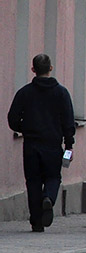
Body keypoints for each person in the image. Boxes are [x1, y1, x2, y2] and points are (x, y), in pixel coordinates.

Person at [7, 54, 75, 232]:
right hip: (53, 144)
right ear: (50, 68)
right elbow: (68, 122)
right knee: (53, 177)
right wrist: (69, 145)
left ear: (33, 70)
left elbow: (12, 118)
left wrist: (25, 128)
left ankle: (36, 221)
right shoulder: (61, 93)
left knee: (33, 181)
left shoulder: (24, 93)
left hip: (31, 144)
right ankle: (49, 198)